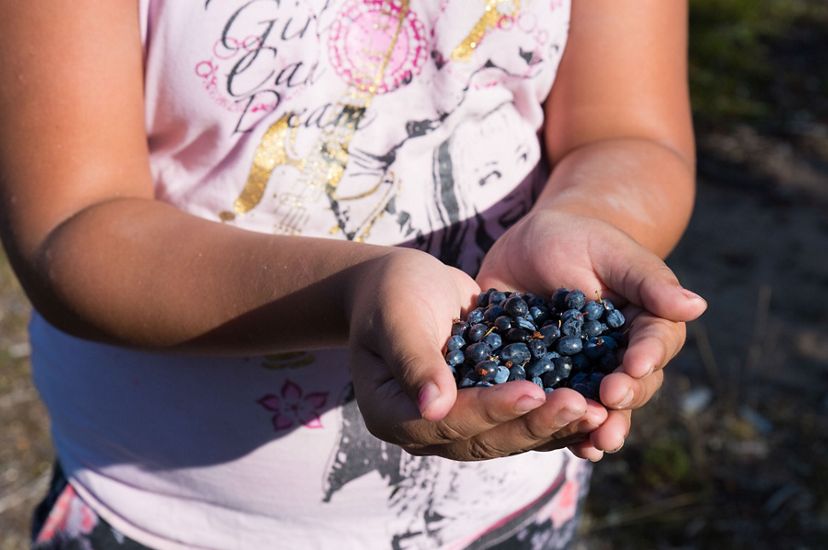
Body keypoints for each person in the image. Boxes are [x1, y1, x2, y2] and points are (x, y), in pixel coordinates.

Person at [0, 1, 706, 548]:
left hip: (504, 508)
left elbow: (626, 134)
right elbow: (73, 228)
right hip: (167, 512)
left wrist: (588, 216)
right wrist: (354, 290)